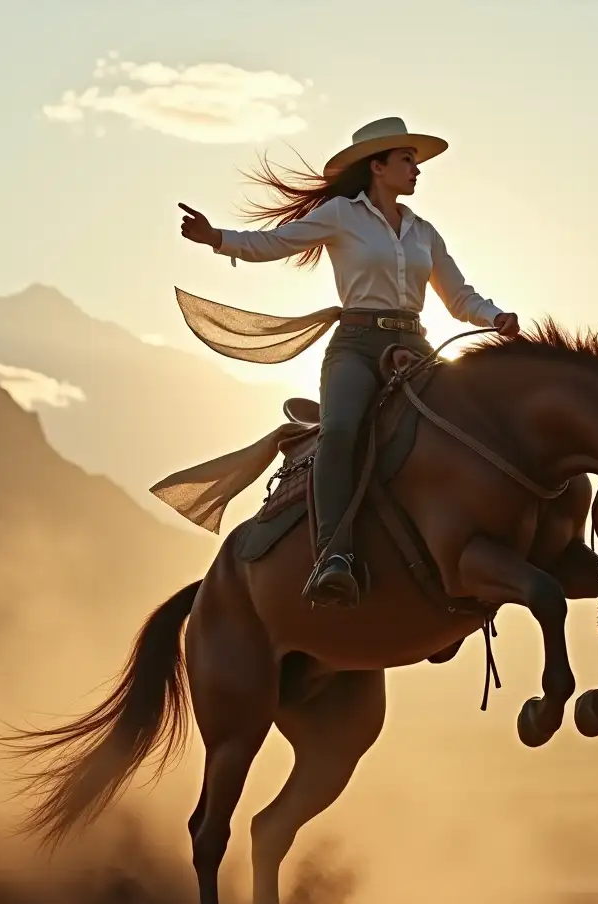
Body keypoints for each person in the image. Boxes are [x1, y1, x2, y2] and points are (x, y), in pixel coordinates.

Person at [178, 115, 519, 608]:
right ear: (377, 166)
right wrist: (217, 238)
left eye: (416, 161)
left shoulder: (425, 232)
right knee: (340, 432)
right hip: (356, 347)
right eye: (408, 160)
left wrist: (494, 316)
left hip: (416, 349)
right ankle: (332, 556)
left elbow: (459, 296)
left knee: (469, 429)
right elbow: (275, 242)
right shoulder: (341, 215)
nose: (417, 169)